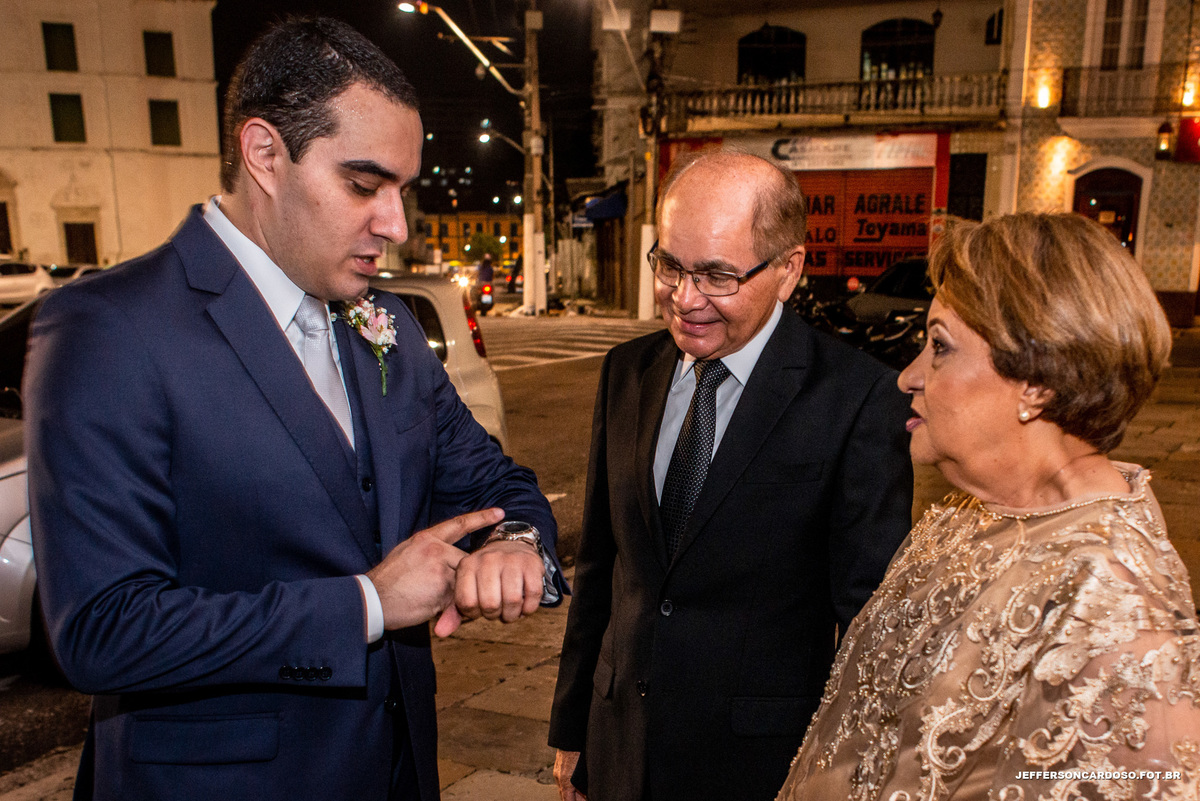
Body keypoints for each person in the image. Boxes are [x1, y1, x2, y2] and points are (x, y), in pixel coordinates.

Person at [26, 16, 564, 801]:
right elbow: (103, 627)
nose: (397, 225)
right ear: (265, 154)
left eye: (402, 190)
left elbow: (497, 483)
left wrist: (515, 544)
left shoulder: (392, 330)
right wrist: (368, 603)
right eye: (362, 184)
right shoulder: (109, 328)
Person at [776, 213, 1200, 801]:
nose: (908, 376)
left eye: (941, 347)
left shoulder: (1118, 610)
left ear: (1037, 382)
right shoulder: (961, 514)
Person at [548, 150, 915, 801]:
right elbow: (603, 566)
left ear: (787, 270)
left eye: (717, 275)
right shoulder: (626, 372)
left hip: (760, 767)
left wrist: (844, 773)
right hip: (619, 746)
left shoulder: (858, 398)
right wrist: (573, 724)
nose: (684, 298)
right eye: (668, 265)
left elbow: (866, 623)